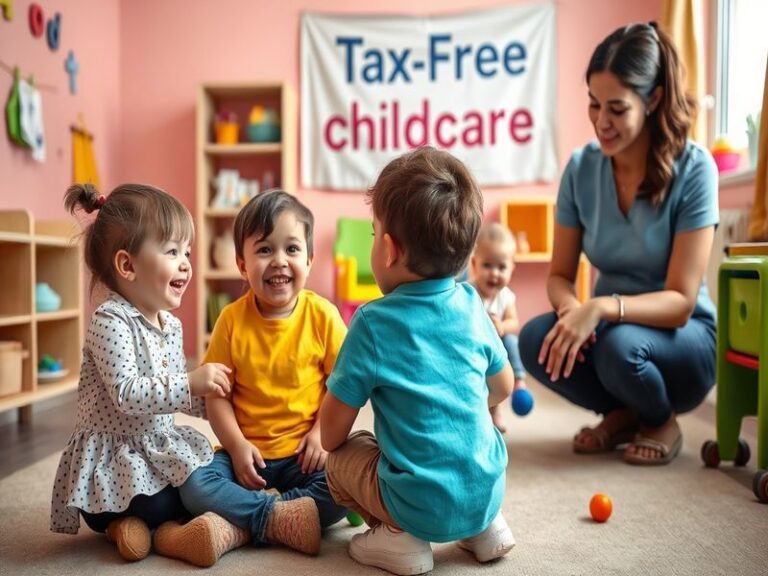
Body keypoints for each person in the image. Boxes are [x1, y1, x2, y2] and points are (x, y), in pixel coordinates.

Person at [518, 22, 718, 466]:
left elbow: (682, 302)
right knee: (534, 340)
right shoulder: (580, 168)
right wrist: (573, 311)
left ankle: (661, 419)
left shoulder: (695, 168)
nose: (600, 122)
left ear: (654, 100)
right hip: (615, 337)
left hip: (685, 341)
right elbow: (559, 276)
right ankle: (624, 412)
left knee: (619, 347)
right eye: (593, 104)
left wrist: (603, 307)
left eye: (616, 109)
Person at [320, 147, 517, 576]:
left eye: (373, 236)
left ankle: (401, 536)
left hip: (415, 503)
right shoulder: (470, 302)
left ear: (388, 250)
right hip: (488, 489)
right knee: (469, 453)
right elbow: (503, 388)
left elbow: (331, 434)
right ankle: (483, 528)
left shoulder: (371, 323)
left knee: (340, 460)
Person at [153, 190, 348, 567]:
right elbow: (217, 397)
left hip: (303, 457)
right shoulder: (230, 319)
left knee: (345, 485)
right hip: (247, 457)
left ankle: (239, 525)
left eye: (291, 249)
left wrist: (321, 433)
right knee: (193, 485)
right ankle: (277, 517)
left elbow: (343, 385)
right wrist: (238, 446)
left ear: (309, 259)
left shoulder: (323, 316)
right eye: (264, 250)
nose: (279, 261)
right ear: (242, 264)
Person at [50, 183, 233, 562]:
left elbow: (173, 392)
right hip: (113, 462)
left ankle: (146, 530)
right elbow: (128, 393)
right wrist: (191, 382)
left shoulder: (170, 324)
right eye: (172, 251)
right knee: (177, 495)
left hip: (154, 446)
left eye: (187, 251)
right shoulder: (109, 321)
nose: (186, 262)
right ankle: (141, 528)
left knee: (209, 470)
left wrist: (215, 400)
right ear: (127, 265)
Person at [470, 222, 530, 432]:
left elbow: (514, 322)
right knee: (485, 382)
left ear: (512, 269)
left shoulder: (505, 296)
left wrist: (502, 326)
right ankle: (489, 414)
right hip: (474, 348)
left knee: (511, 341)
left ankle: (519, 382)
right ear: (474, 264)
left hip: (496, 350)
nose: (494, 273)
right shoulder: (469, 294)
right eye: (487, 265)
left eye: (502, 267)